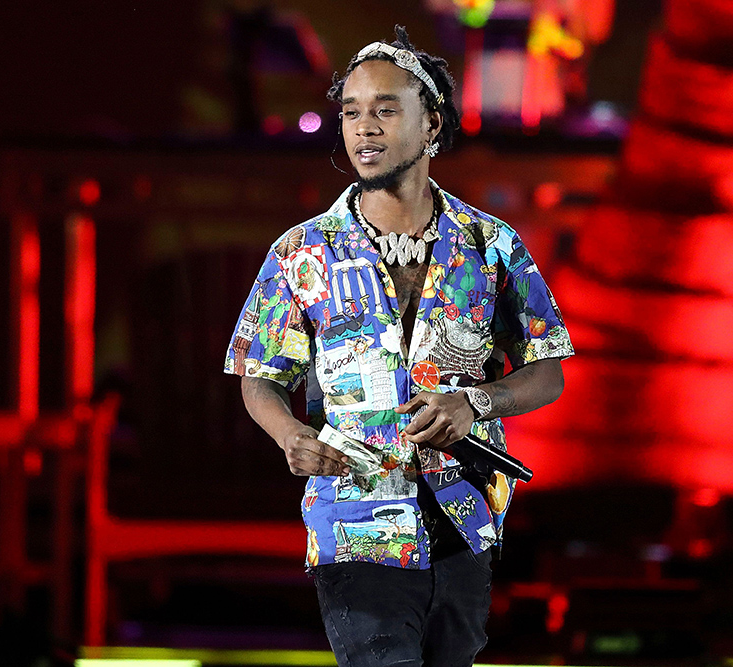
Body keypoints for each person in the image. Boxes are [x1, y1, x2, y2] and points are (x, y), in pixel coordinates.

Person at [224, 26, 573, 667]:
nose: (365, 128)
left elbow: (547, 370)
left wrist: (478, 402)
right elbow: (258, 376)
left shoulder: (490, 245)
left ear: (431, 123)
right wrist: (290, 436)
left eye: (385, 110)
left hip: (465, 518)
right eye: (352, 113)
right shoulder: (305, 251)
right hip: (358, 519)